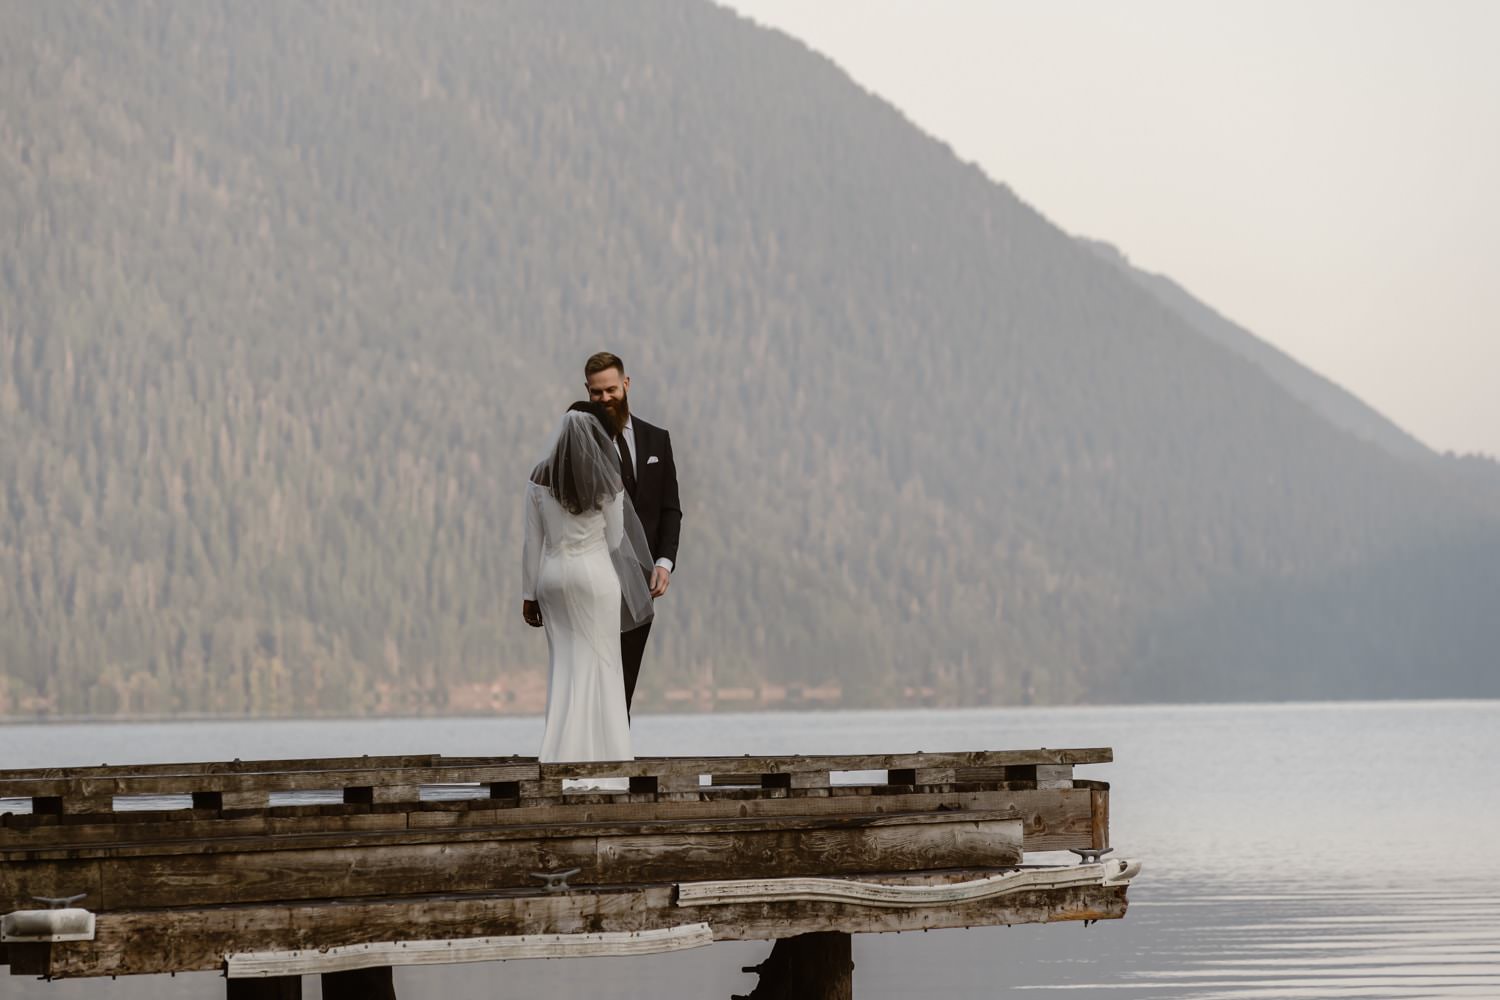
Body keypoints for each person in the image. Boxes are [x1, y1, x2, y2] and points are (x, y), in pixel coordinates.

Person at [521, 401, 655, 762]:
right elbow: (614, 539)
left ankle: (558, 757)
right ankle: (606, 761)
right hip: (594, 578)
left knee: (564, 667)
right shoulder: (607, 479)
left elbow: (532, 543)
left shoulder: (539, 476)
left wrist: (528, 594)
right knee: (602, 670)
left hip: (552, 581)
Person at [583, 352, 681, 714]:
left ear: (626, 384)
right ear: (587, 392)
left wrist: (664, 562)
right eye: (596, 393)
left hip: (642, 582)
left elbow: (671, 508)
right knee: (596, 677)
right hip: (595, 577)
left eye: (610, 389)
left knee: (625, 680)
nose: (605, 398)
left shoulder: (658, 439)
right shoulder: (581, 445)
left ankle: (616, 757)